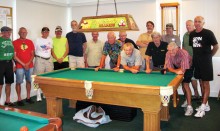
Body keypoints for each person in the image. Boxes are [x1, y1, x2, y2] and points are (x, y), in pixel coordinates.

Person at [189, 16, 219, 118]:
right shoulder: (192, 34)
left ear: (203, 23)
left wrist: (209, 56)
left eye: (199, 21)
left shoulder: (208, 33)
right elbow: (194, 48)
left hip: (206, 62)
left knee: (206, 83)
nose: (197, 23)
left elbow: (216, 46)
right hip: (197, 62)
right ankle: (205, 104)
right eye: (195, 21)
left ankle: (202, 107)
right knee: (201, 82)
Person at [164, 42, 193, 116]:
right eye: (169, 50)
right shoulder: (168, 53)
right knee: (177, 82)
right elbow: (170, 67)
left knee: (185, 84)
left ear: (177, 48)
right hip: (177, 67)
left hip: (188, 67)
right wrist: (175, 71)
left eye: (172, 50)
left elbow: (183, 70)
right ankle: (186, 99)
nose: (171, 52)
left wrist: (177, 71)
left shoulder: (184, 53)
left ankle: (190, 107)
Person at [13, 27, 35, 106]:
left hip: (30, 66)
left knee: (29, 81)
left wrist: (28, 64)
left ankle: (28, 97)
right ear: (19, 33)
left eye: (25, 32)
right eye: (22, 32)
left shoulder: (30, 42)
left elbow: (33, 55)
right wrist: (23, 64)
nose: (23, 33)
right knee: (18, 82)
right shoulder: (14, 42)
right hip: (19, 66)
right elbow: (14, 56)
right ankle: (19, 99)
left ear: (26, 33)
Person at [181, 20, 200, 108]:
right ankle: (190, 97)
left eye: (189, 25)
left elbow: (197, 48)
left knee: (194, 78)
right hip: (186, 60)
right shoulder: (185, 35)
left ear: (193, 26)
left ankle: (197, 94)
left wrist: (192, 58)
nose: (188, 26)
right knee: (188, 78)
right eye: (186, 25)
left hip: (195, 59)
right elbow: (183, 47)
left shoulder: (196, 34)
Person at [34, 27, 53, 101]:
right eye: (44, 32)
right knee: (37, 78)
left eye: (47, 32)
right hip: (40, 60)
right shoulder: (37, 40)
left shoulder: (50, 39)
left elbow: (50, 49)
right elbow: (34, 51)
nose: (46, 33)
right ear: (42, 32)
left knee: (48, 78)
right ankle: (38, 94)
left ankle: (45, 93)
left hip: (49, 60)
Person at [0, 26, 15, 106]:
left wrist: (13, 64)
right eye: (8, 32)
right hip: (1, 63)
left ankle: (7, 100)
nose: (9, 33)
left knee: (8, 83)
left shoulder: (9, 40)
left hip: (9, 63)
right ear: (2, 32)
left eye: (10, 32)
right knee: (0, 84)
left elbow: (12, 54)